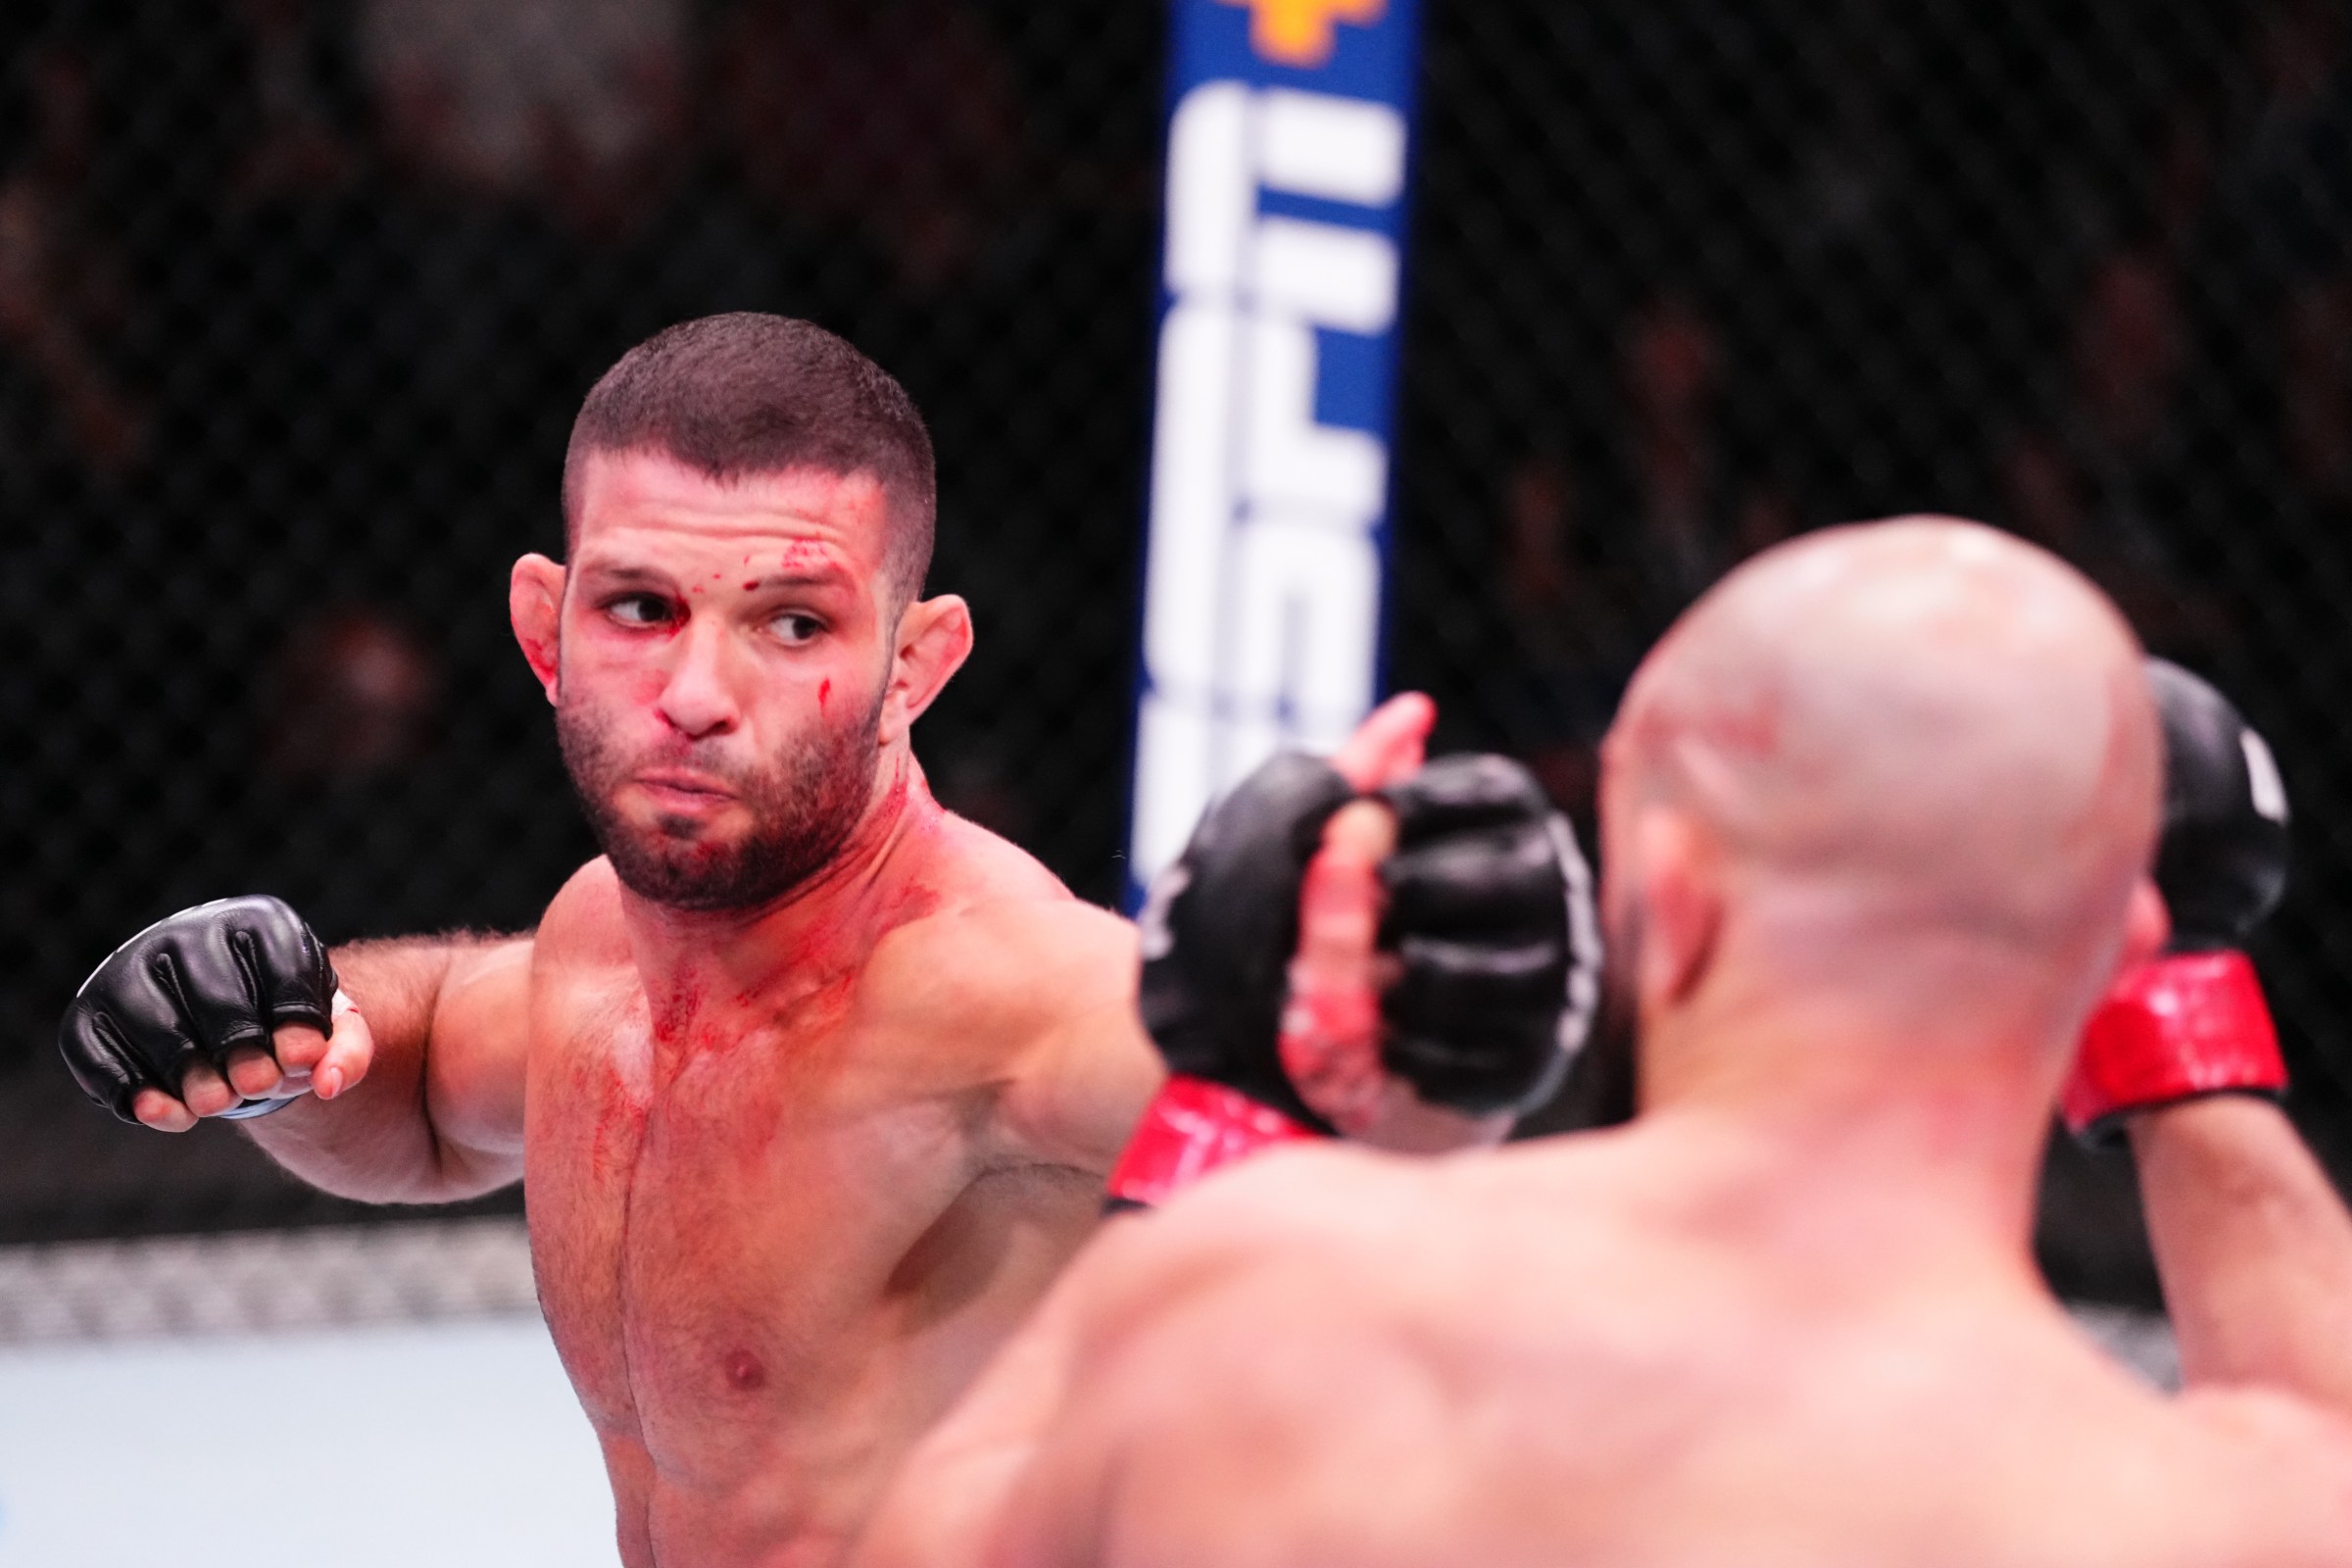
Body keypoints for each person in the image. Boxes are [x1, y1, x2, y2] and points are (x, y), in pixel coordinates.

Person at [54, 312, 1590, 1568]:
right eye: (641, 608)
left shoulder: (981, 989)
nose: (698, 693)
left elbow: (1326, 1133)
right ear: (544, 629)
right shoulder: (602, 945)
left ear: (915, 662)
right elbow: (434, 1083)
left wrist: (1417, 1027)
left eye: (794, 623)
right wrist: (282, 1027)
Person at [857, 516, 2352, 1568]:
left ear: (1670, 903)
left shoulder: (1272, 1314)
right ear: (2124, 949)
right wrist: (2158, 986)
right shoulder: (2204, 1517)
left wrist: (1229, 1102)